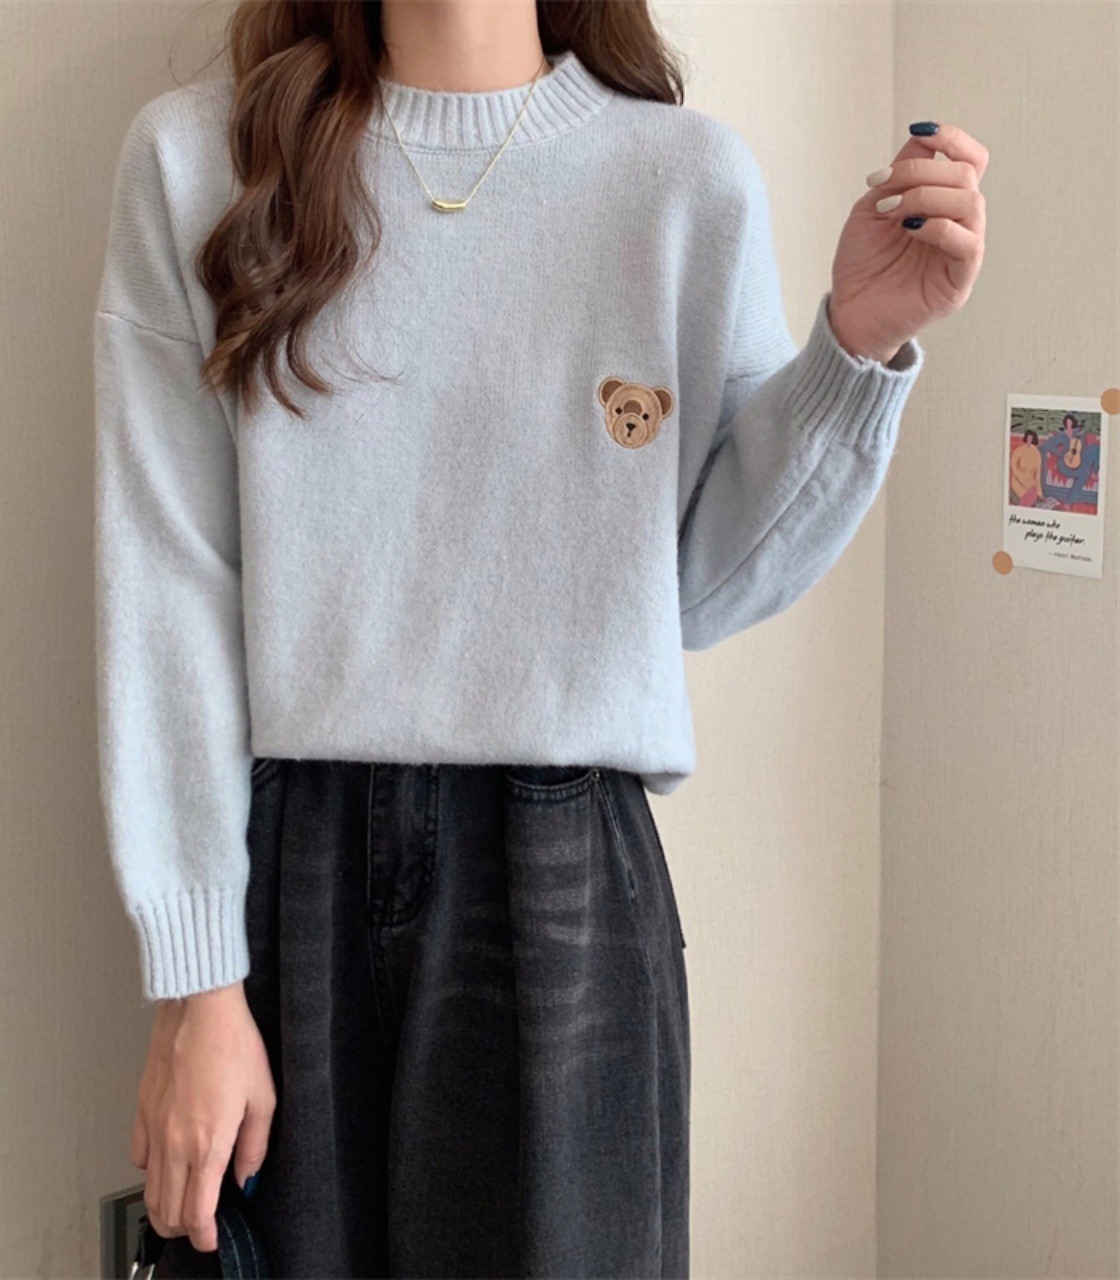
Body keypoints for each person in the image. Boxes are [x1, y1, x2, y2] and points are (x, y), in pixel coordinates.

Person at [93, 1, 985, 1274]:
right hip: (290, 877)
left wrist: (857, 342)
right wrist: (196, 980)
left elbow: (693, 587)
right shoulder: (201, 163)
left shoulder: (680, 180)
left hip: (569, 886)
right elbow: (168, 577)